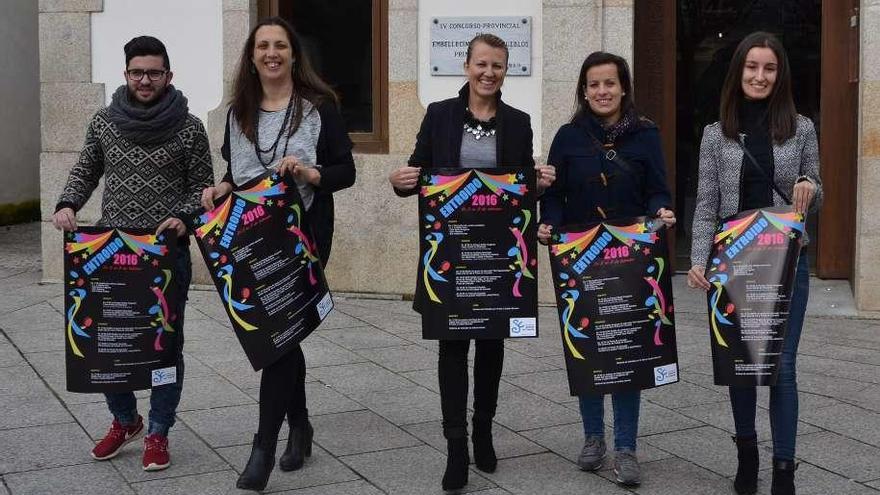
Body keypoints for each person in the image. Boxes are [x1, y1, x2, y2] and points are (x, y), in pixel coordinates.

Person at [388, 33, 555, 491]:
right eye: (481, 64)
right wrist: (400, 180)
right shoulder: (440, 115)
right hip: (450, 255)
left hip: (498, 258)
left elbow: (522, 193)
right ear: (466, 66)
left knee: (492, 346)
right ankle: (456, 446)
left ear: (506, 71)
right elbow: (418, 172)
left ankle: (484, 429)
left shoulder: (518, 123)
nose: (488, 73)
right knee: (452, 348)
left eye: (497, 66)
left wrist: (540, 184)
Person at [200, 16, 355, 491]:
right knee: (284, 337)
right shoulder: (237, 110)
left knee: (279, 339)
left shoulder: (319, 107)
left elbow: (344, 171)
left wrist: (309, 174)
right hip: (247, 243)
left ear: (293, 55)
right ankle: (301, 426)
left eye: (280, 46)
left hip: (301, 240)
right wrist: (219, 187)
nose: (272, 53)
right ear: (251, 56)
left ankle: (262, 448)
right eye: (263, 46)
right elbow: (234, 167)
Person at [52, 36, 213, 471]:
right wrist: (67, 203)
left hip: (164, 257)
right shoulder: (104, 122)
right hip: (110, 255)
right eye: (137, 72)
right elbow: (86, 167)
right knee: (107, 345)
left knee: (165, 347)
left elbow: (203, 190)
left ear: (169, 76)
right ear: (125, 75)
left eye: (154, 72)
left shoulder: (191, 127)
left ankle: (159, 431)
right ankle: (126, 421)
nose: (145, 79)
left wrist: (183, 217)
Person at [687, 32, 822, 495]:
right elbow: (706, 203)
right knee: (739, 361)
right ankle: (747, 453)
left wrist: (808, 187)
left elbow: (814, 190)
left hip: (786, 262)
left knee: (783, 366)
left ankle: (784, 468)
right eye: (751, 67)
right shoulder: (715, 133)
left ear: (779, 74)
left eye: (768, 68)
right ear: (738, 71)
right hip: (733, 261)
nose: (759, 76)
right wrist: (698, 260)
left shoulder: (801, 127)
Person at [538, 51, 676, 487]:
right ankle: (593, 437)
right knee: (589, 348)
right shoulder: (567, 136)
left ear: (623, 88)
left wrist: (662, 211)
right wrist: (548, 222)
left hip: (628, 261)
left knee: (627, 349)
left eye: (610, 84)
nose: (602, 92)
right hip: (580, 259)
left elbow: (657, 190)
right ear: (583, 90)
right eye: (594, 84)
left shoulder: (646, 135)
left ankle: (627, 446)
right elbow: (554, 194)